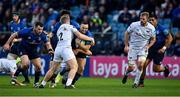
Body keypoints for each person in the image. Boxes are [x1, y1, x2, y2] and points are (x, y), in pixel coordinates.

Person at [39, 14, 94, 89]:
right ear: (68, 21)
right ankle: (68, 84)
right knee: (74, 67)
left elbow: (52, 35)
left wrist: (48, 35)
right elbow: (80, 36)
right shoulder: (71, 27)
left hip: (58, 49)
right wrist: (90, 39)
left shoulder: (59, 29)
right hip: (66, 48)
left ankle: (42, 84)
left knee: (53, 69)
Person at [3, 22, 54, 88]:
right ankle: (15, 76)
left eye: (41, 29)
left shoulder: (43, 34)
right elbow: (14, 35)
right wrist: (7, 44)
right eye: (39, 29)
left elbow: (47, 43)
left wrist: (50, 50)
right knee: (25, 64)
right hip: (23, 49)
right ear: (34, 27)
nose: (40, 31)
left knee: (38, 67)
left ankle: (36, 83)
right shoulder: (27, 31)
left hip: (33, 50)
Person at [122, 12, 156, 88]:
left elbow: (153, 39)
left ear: (147, 19)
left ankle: (135, 83)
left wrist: (148, 46)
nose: (141, 20)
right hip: (133, 48)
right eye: (140, 18)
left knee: (141, 64)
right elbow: (127, 33)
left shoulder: (151, 28)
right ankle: (126, 74)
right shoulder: (134, 25)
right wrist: (126, 45)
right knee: (131, 68)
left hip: (143, 49)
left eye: (143, 19)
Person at [138, 14, 172, 87]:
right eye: (149, 20)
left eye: (152, 20)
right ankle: (141, 83)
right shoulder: (148, 28)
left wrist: (164, 48)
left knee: (155, 70)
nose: (151, 21)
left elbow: (170, 38)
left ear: (157, 20)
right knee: (143, 65)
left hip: (159, 51)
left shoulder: (162, 29)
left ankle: (165, 69)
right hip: (150, 49)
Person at [8, 12, 30, 84]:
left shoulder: (23, 25)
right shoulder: (11, 24)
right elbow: (12, 34)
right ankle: (14, 78)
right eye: (13, 16)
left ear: (18, 17)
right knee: (10, 59)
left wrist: (16, 40)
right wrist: (11, 43)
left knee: (22, 64)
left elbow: (25, 37)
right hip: (14, 46)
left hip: (22, 45)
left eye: (15, 16)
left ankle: (25, 79)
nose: (14, 17)